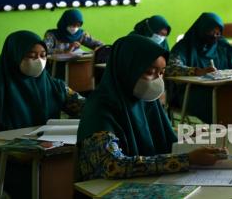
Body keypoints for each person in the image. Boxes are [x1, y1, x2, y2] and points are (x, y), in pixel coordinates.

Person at [77, 35, 224, 180]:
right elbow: (112, 165)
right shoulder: (100, 107)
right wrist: (188, 159)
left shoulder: (146, 100)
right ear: (128, 68)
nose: (157, 81)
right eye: (149, 72)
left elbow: (157, 136)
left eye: (161, 73)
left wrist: (186, 136)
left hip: (148, 182)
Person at [0, 30, 85, 198]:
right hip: (14, 165)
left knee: (78, 178)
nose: (39, 61)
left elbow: (85, 108)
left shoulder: (56, 87)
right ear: (14, 57)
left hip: (53, 156)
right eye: (31, 56)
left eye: (43, 55)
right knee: (33, 185)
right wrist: (17, 155)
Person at [166, 12, 232, 124]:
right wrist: (198, 71)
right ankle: (225, 129)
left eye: (218, 32)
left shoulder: (221, 44)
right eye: (211, 31)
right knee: (219, 100)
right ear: (201, 29)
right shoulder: (184, 46)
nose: (215, 35)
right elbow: (171, 68)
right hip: (191, 91)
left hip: (223, 87)